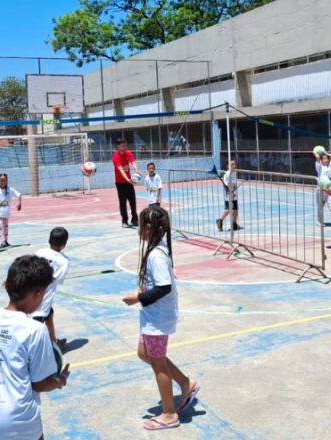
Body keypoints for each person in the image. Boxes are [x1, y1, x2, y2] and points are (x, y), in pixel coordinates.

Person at [0, 255, 70, 440]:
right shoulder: (36, 330)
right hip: (18, 422)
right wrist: (59, 380)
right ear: (39, 293)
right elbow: (39, 383)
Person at [122, 206, 199, 431]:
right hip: (152, 315)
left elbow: (164, 287)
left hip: (158, 317)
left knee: (158, 363)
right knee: (144, 353)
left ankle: (168, 413)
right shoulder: (157, 249)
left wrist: (138, 297)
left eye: (140, 224)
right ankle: (186, 383)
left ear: (148, 227)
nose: (138, 229)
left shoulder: (156, 255)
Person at [32, 227, 70, 351]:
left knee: (50, 314)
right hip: (42, 302)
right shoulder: (64, 261)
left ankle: (53, 341)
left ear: (49, 240)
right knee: (33, 330)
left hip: (28, 295)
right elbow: (57, 280)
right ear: (64, 244)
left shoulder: (39, 253)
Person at [113, 138, 142, 228]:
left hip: (129, 181)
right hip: (120, 183)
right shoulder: (115, 157)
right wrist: (128, 180)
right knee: (123, 202)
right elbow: (121, 170)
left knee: (133, 201)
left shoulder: (128, 153)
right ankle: (124, 221)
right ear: (118, 147)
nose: (124, 147)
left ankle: (134, 219)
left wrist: (137, 170)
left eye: (125, 145)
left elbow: (133, 162)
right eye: (122, 146)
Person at [0, 173, 23, 250]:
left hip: (6, 212)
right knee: (0, 227)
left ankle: (6, 241)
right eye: (1, 180)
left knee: (6, 228)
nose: (3, 182)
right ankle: (2, 242)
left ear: (7, 181)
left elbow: (19, 195)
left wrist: (19, 203)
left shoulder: (10, 189)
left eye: (4, 180)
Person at [313, 148, 331, 226]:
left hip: (329, 189)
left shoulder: (330, 166)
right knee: (320, 206)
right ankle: (319, 221)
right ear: (321, 160)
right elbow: (317, 157)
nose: (326, 160)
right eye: (324, 159)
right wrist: (315, 152)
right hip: (321, 189)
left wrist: (326, 153)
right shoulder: (319, 167)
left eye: (327, 159)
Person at [216, 160, 242, 232]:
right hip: (229, 194)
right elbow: (226, 185)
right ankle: (220, 220)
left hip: (234, 193)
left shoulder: (235, 172)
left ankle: (234, 224)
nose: (234, 166)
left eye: (234, 164)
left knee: (236, 209)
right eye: (232, 165)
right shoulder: (227, 174)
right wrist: (231, 192)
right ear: (228, 166)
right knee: (229, 209)